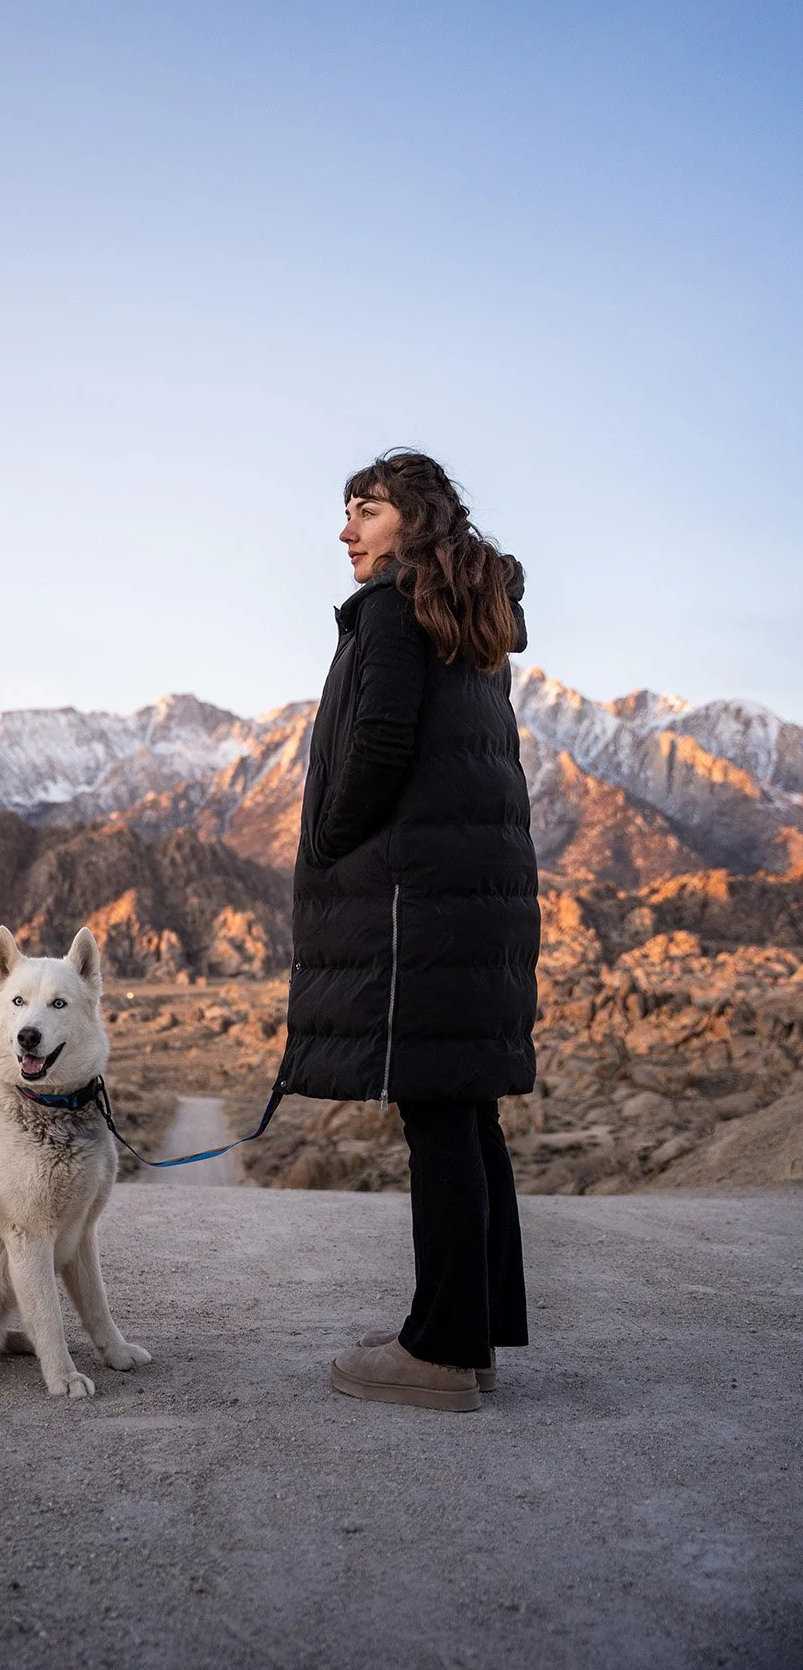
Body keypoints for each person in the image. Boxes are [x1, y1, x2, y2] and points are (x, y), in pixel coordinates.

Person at [277, 449, 540, 1412]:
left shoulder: (391, 611)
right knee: (466, 1112)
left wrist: (332, 841)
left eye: (366, 510)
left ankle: (434, 1355)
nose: (347, 531)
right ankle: (472, 1341)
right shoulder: (470, 622)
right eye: (347, 513)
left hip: (412, 902)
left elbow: (379, 746)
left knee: (437, 1117)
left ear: (414, 520)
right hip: (471, 903)